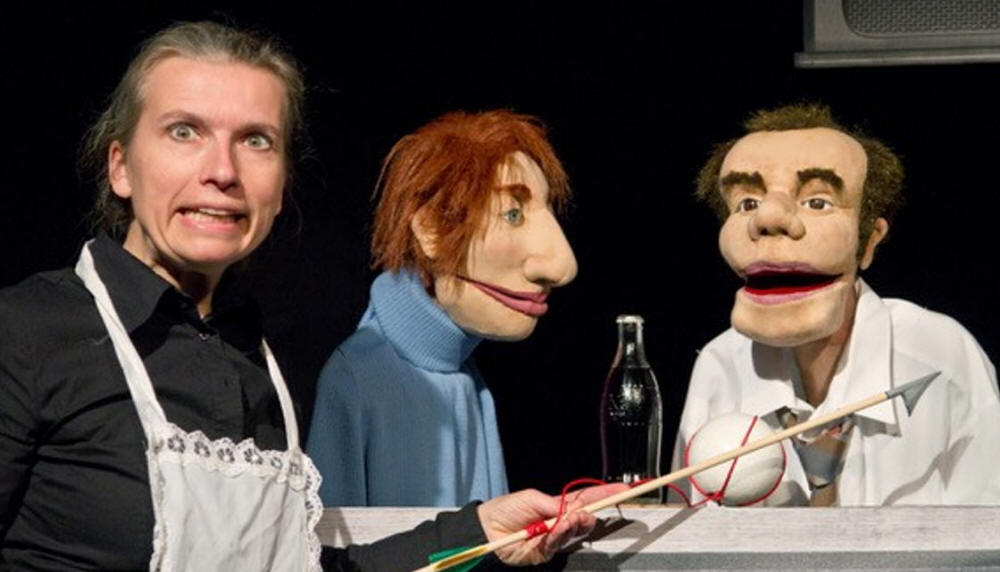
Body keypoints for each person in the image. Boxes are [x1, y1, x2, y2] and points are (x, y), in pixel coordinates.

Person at [0, 21, 623, 571]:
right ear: (120, 167)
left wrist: (481, 530)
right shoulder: (25, 334)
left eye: (256, 140)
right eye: (184, 131)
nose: (223, 171)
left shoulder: (254, 361)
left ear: (281, 183)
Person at [671, 103, 1000, 506]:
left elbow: (988, 524)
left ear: (870, 239)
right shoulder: (720, 366)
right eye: (747, 204)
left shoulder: (939, 353)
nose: (768, 219)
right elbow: (691, 527)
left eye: (817, 202)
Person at [308, 110, 578, 507]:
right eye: (512, 214)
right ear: (432, 229)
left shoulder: (465, 376)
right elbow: (326, 535)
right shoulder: (358, 379)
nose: (560, 268)